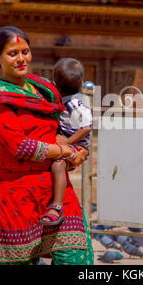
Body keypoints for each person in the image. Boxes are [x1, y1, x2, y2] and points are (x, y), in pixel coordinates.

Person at [0, 26, 94, 265]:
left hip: (56, 190)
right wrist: (67, 151)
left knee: (77, 257)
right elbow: (21, 146)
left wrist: (81, 150)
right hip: (16, 194)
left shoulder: (44, 88)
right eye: (12, 53)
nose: (21, 59)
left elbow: (65, 126)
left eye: (25, 51)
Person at [40, 58, 92, 226]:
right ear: (82, 82)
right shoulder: (59, 99)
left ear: (55, 82)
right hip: (64, 139)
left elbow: (87, 127)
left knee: (58, 164)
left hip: (77, 144)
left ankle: (57, 206)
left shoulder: (76, 103)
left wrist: (67, 143)